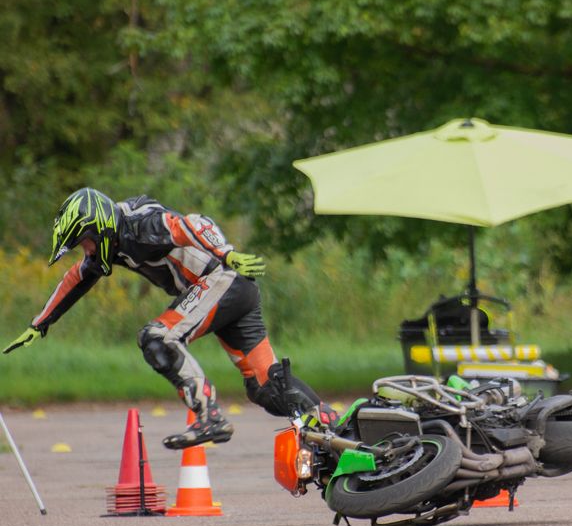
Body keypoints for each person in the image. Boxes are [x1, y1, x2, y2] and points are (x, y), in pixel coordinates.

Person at [3, 188, 330, 448]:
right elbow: (77, 277)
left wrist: (225, 252)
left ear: (99, 228)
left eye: (85, 242)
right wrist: (40, 324)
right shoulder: (113, 244)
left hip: (221, 279)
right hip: (230, 292)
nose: (86, 250)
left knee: (156, 337)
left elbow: (192, 222)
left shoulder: (140, 225)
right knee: (266, 388)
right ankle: (337, 431)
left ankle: (209, 415)